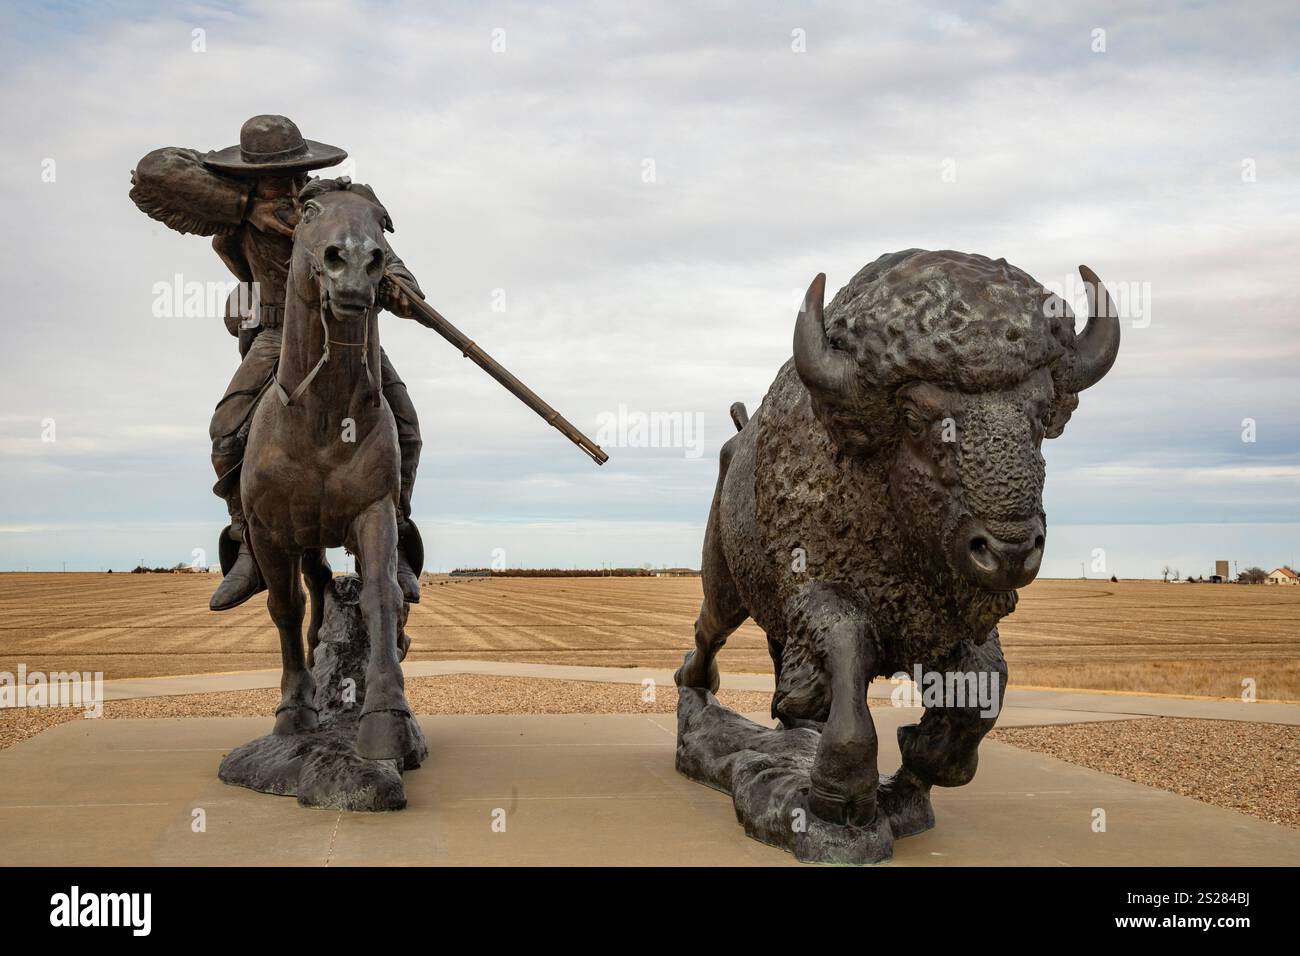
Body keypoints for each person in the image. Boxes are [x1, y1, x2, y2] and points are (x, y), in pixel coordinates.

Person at [130, 115, 426, 609]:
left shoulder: (337, 206)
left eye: (292, 173)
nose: (285, 184)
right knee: (226, 431)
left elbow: (383, 253)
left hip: (348, 334)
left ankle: (393, 535)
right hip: (275, 334)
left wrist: (401, 285)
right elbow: (154, 170)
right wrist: (247, 208)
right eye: (271, 177)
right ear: (250, 177)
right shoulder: (236, 213)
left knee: (407, 426)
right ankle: (248, 543)